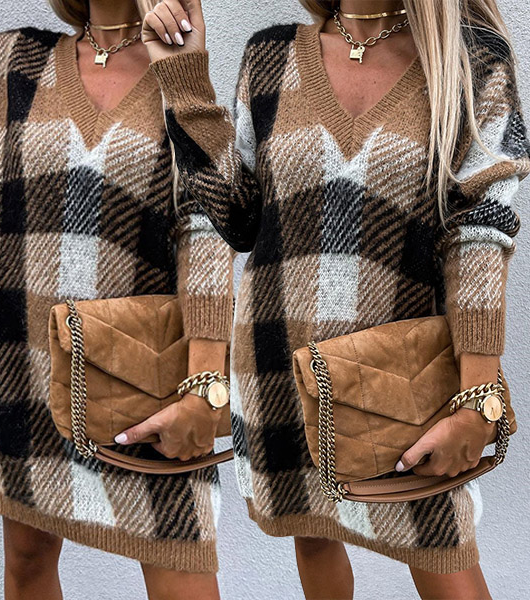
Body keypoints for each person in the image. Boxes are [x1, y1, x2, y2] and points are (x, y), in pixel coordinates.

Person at [142, 0, 530, 598]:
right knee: (315, 537)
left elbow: (481, 231)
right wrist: (186, 78)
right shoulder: (271, 54)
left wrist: (479, 399)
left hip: (403, 382)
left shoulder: (471, 60)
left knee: (443, 554)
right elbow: (237, 218)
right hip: (278, 366)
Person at [0, 1, 234, 598]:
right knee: (28, 558)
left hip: (142, 382)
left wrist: (206, 386)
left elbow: (216, 225)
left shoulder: (179, 73)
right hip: (21, 369)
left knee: (182, 570)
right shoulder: (11, 64)